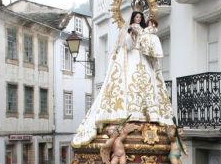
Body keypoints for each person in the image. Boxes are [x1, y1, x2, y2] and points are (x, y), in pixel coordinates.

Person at [72, 10, 173, 147]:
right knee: (131, 84)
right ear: (133, 18)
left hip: (143, 59)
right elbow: (127, 45)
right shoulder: (127, 29)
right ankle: (131, 113)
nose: (138, 19)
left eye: (140, 17)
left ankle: (149, 113)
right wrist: (132, 34)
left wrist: (147, 36)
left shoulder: (145, 31)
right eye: (136, 17)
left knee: (147, 86)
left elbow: (150, 45)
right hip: (131, 59)